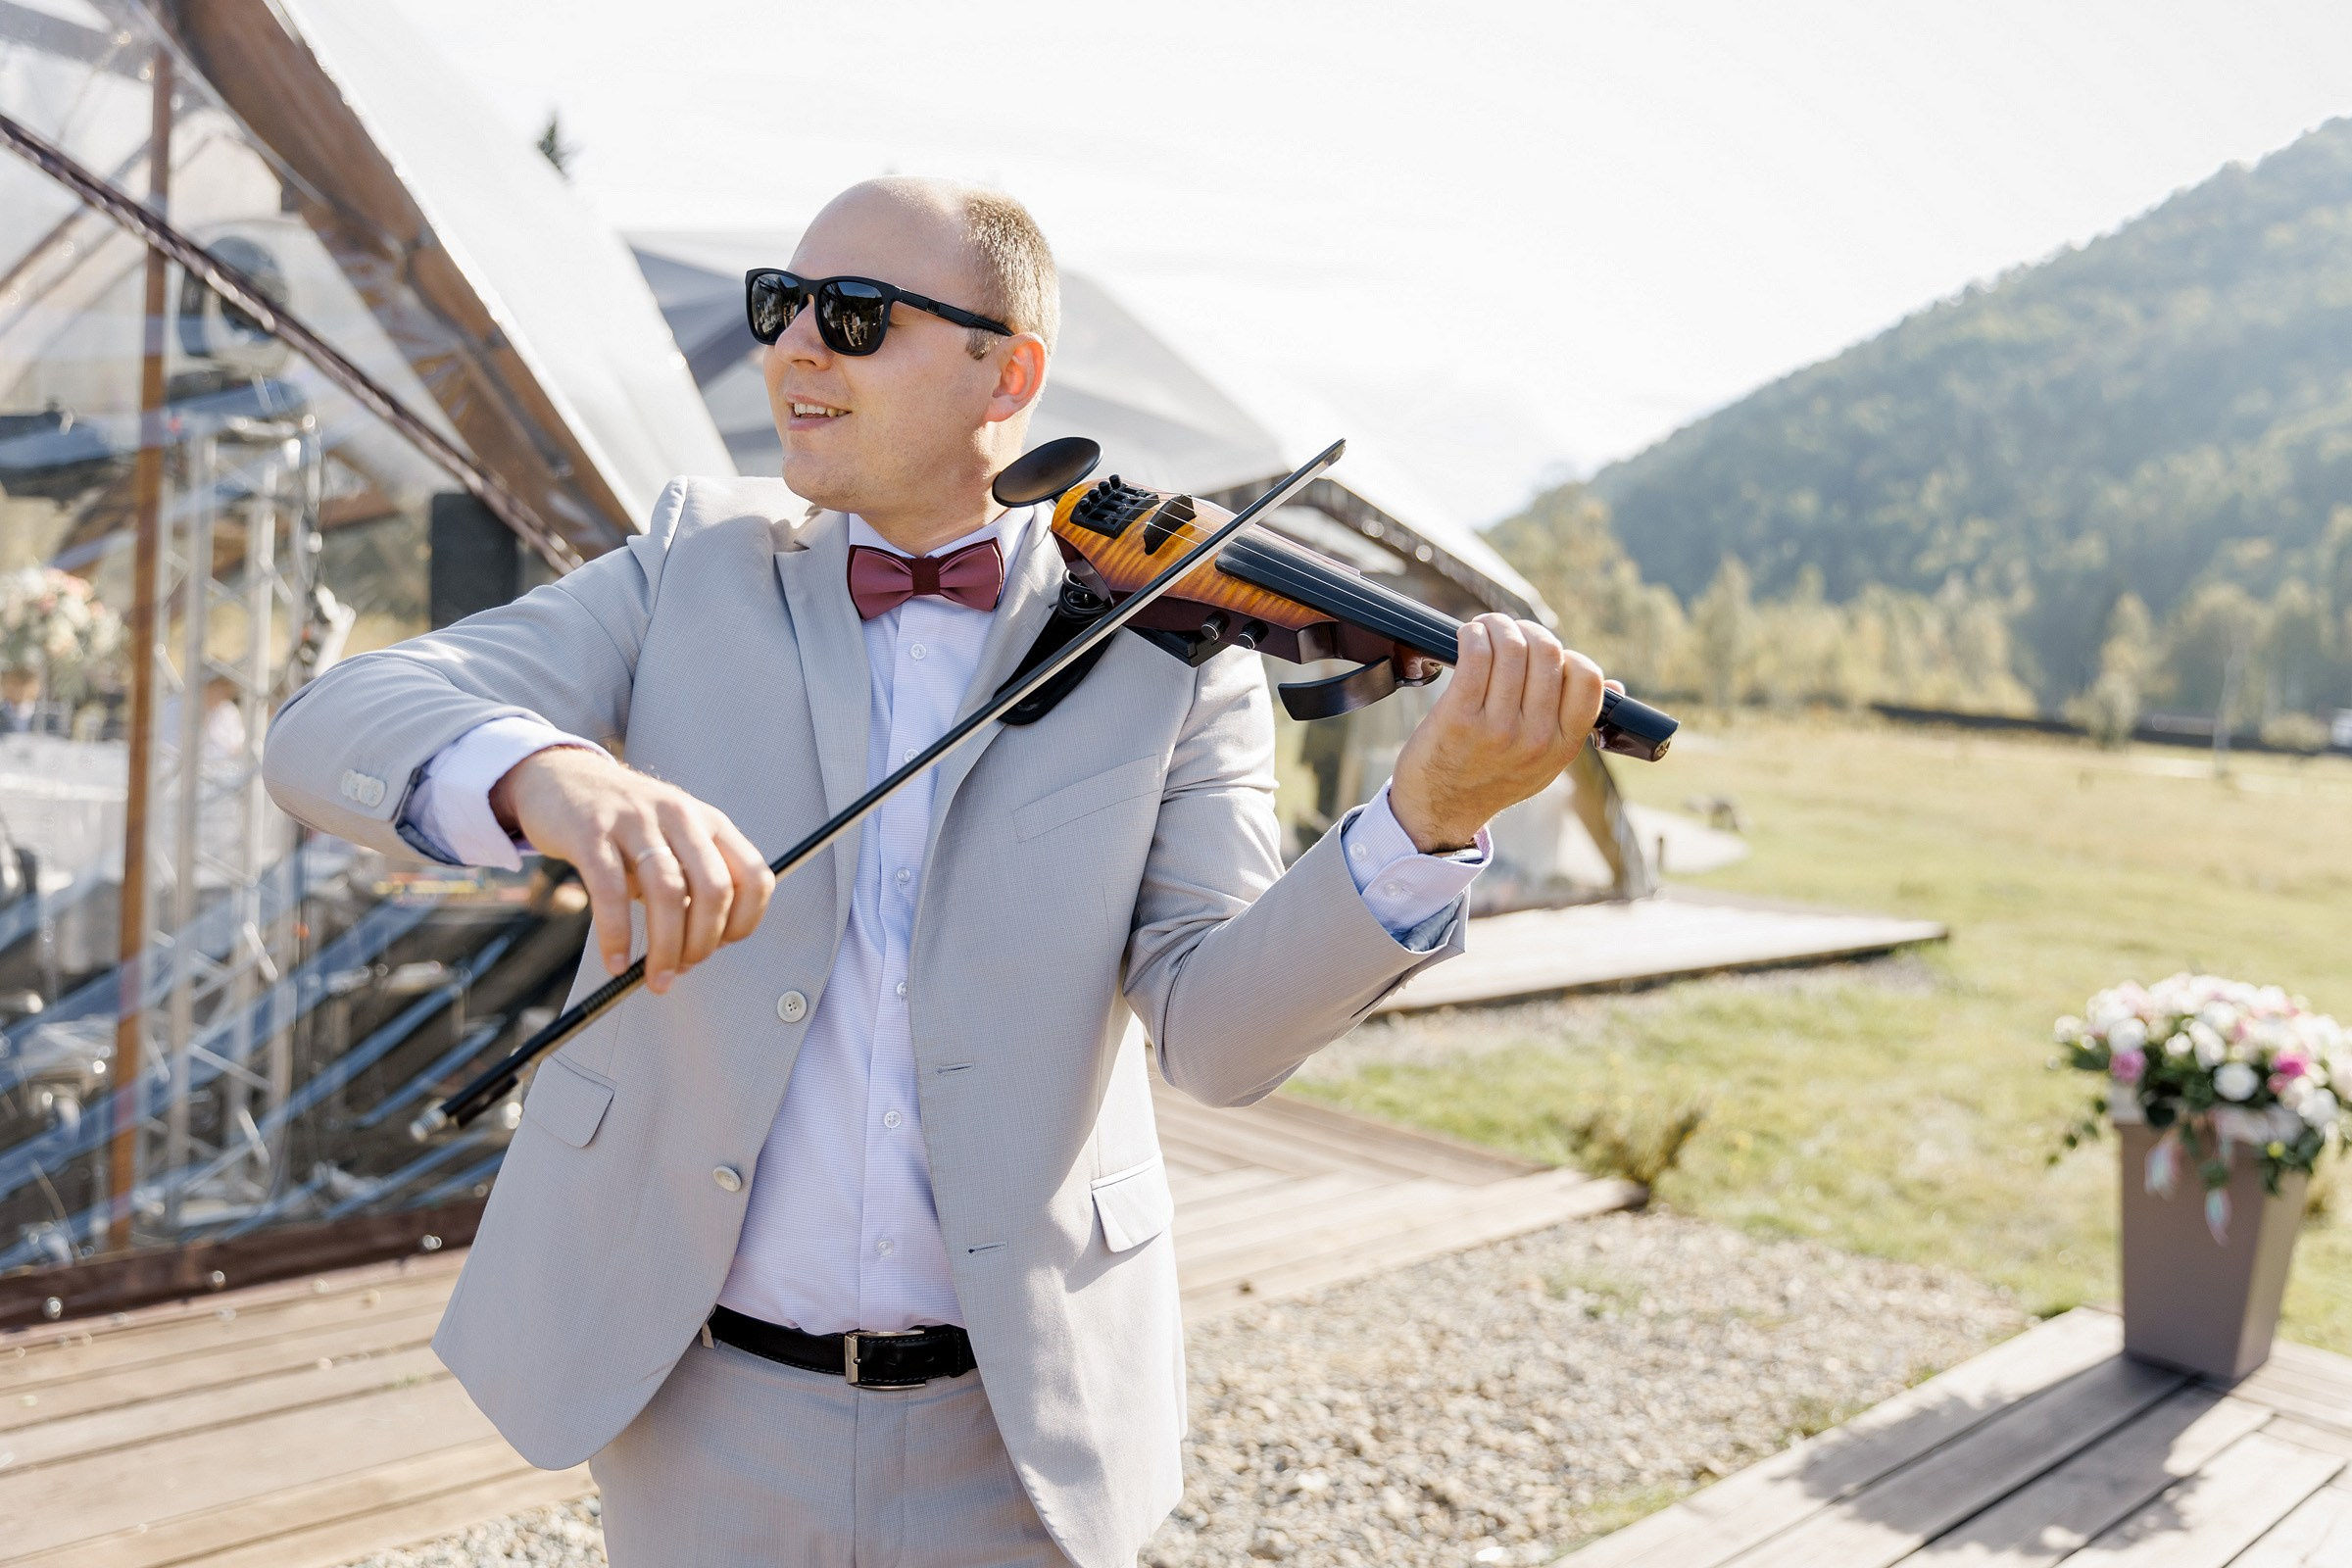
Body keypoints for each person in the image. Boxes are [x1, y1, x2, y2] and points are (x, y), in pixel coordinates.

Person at [262, 177, 1611, 1568]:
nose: (794, 350)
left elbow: (1219, 1036)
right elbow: (329, 730)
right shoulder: (688, 561)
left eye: (853, 319)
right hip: (693, 1404)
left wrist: (1426, 820)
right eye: (777, 310)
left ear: (1008, 373)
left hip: (1014, 1429)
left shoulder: (1171, 642)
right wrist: (557, 776)